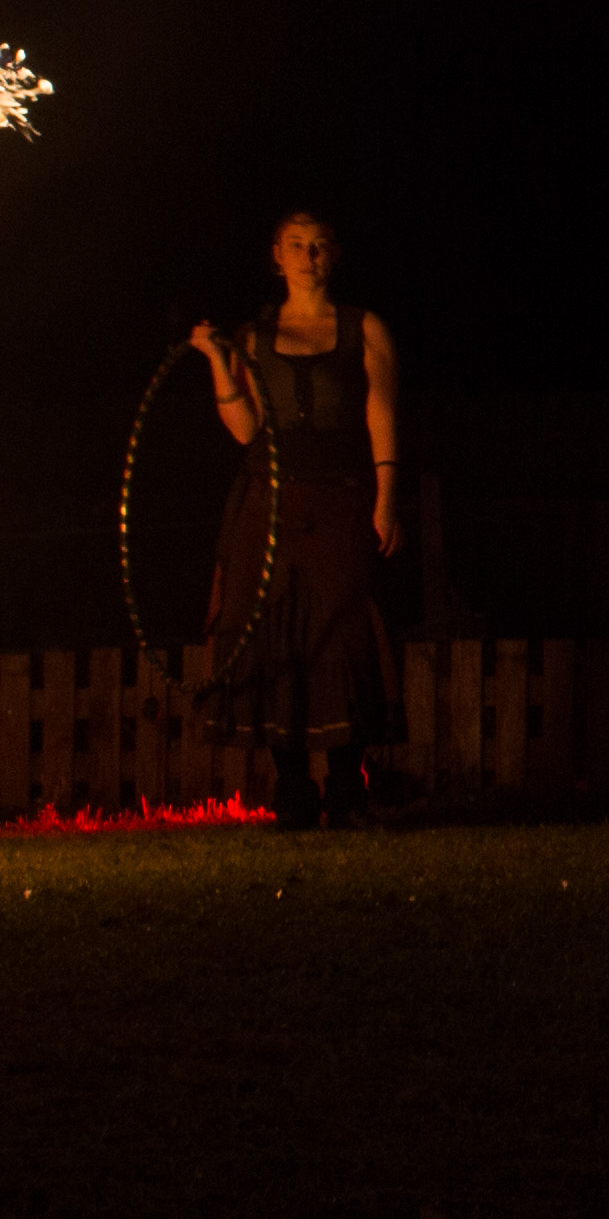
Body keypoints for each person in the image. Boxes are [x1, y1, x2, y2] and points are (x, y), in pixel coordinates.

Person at [193, 208, 406, 826]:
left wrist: (386, 499)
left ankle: (345, 783)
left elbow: (382, 414)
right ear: (277, 256)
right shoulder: (254, 336)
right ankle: (290, 786)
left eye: (318, 245)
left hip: (339, 498)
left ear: (332, 255)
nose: (308, 256)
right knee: (270, 632)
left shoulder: (365, 329)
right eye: (296, 244)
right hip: (269, 501)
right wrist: (215, 359)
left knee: (341, 629)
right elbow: (245, 429)